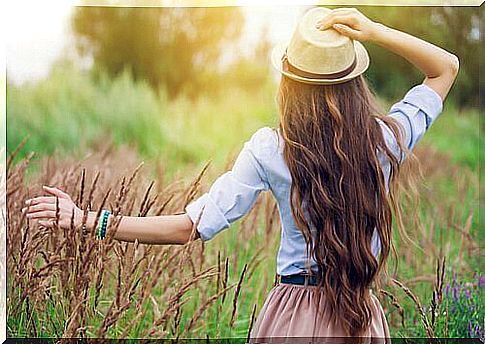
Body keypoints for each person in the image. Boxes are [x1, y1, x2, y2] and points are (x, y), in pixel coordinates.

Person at [22, 7, 459, 342]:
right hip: (361, 318)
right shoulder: (386, 139)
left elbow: (187, 228)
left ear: (289, 81)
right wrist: (374, 30)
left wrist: (83, 218)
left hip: (292, 318)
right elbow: (445, 67)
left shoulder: (271, 149)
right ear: (354, 81)